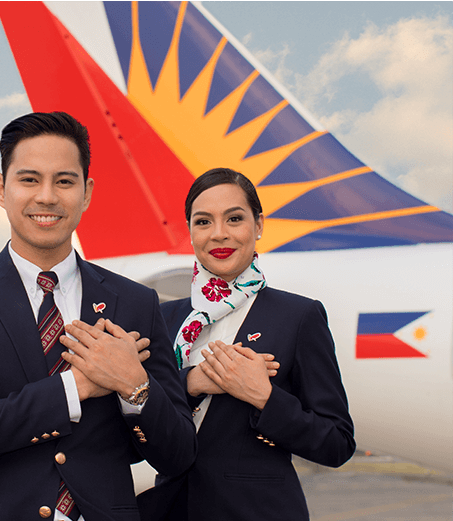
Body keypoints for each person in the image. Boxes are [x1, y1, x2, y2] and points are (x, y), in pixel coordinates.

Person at [0, 111, 197, 521]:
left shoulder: (135, 302)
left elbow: (178, 455)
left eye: (64, 181)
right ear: (0, 188)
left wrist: (133, 384)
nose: (46, 196)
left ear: (87, 192)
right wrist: (74, 387)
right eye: (29, 179)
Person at [137, 167, 356, 520]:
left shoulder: (299, 316)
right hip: (172, 509)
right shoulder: (164, 319)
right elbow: (134, 427)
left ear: (258, 226)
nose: (219, 234)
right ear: (190, 232)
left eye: (234, 219)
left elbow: (337, 443)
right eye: (203, 222)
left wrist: (262, 396)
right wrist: (190, 383)